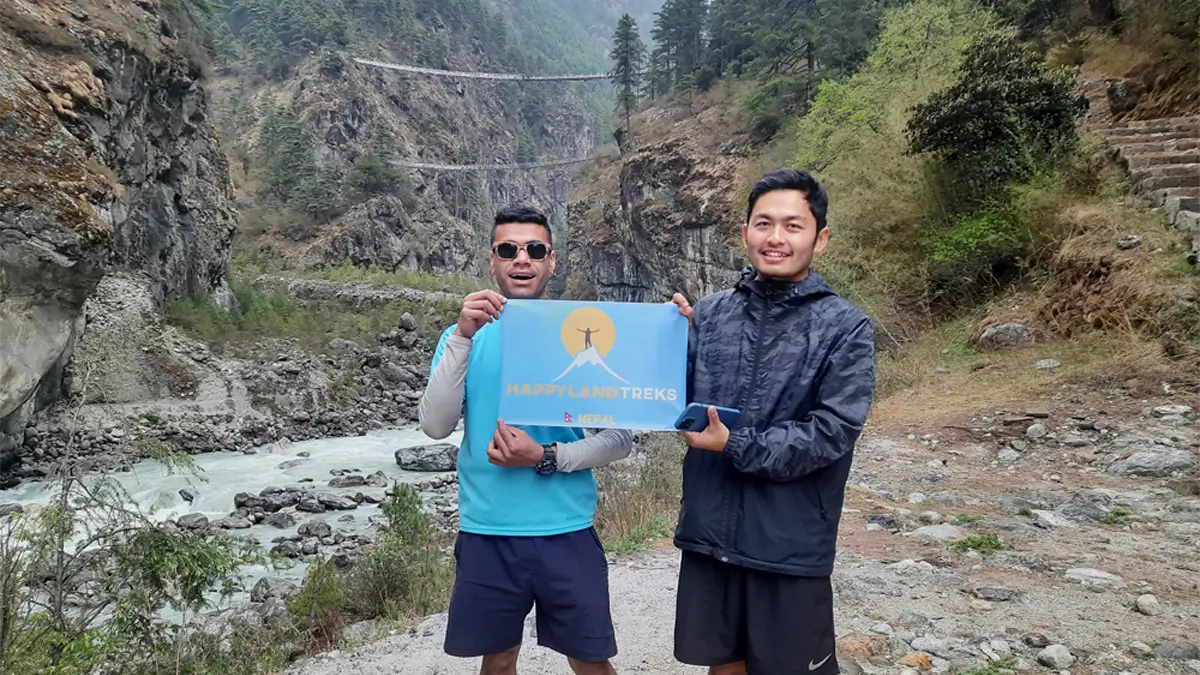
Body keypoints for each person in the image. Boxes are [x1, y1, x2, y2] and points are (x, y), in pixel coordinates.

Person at [669, 168, 878, 675]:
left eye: (793, 225)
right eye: (763, 224)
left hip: (788, 542)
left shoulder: (845, 327)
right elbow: (669, 398)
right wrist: (662, 339)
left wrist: (736, 443)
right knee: (723, 666)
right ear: (744, 233)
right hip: (709, 533)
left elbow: (832, 431)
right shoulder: (711, 315)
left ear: (819, 238)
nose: (776, 238)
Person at [418, 205, 633, 675]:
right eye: (508, 249)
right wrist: (461, 336)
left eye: (535, 249)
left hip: (567, 529)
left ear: (552, 261)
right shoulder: (462, 337)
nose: (522, 259)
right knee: (497, 662)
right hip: (487, 531)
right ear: (492, 260)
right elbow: (435, 425)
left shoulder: (579, 332)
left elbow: (619, 439)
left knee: (591, 661)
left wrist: (547, 456)